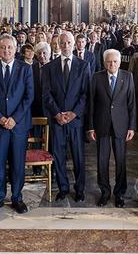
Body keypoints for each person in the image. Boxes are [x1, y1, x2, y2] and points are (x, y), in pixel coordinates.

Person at [0, 35, 34, 214]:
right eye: (3, 48)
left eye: (10, 47)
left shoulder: (25, 69)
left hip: (18, 125)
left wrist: (14, 118)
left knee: (18, 163)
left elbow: (28, 97)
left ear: (16, 48)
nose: (7, 51)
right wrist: (0, 118)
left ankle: (17, 197)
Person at [41, 32, 91, 202]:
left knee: (78, 156)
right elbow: (46, 94)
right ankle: (63, 187)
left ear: (74, 43)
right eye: (62, 43)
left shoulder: (84, 66)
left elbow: (85, 94)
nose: (65, 46)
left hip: (75, 120)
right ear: (57, 45)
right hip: (57, 120)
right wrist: (57, 114)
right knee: (59, 155)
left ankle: (79, 189)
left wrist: (74, 113)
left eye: (68, 42)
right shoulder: (49, 67)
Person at [87, 49, 136, 208]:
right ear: (104, 62)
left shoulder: (128, 77)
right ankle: (105, 192)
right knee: (102, 160)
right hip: (101, 124)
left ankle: (119, 193)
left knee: (121, 161)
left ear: (120, 62)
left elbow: (132, 104)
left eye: (115, 61)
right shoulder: (96, 77)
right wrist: (91, 127)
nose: (112, 64)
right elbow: (91, 104)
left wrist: (132, 126)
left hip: (121, 125)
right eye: (109, 61)